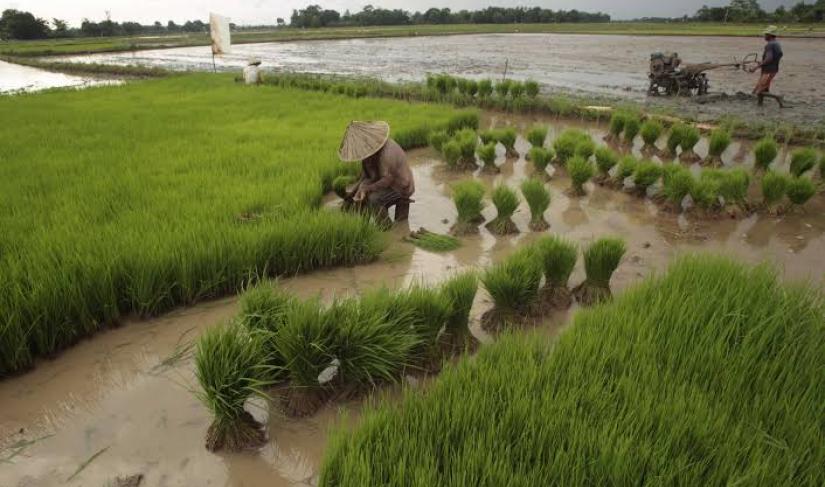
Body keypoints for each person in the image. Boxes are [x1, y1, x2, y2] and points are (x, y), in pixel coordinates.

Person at [338, 121, 415, 221]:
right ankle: (368, 223)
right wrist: (352, 194)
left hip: (401, 186)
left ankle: (385, 227)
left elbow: (387, 180)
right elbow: (366, 176)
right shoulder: (368, 152)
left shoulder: (387, 153)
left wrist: (368, 189)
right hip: (385, 180)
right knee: (364, 195)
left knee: (374, 199)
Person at [749, 26, 784, 107]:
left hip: (768, 71)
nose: (764, 36)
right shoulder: (777, 43)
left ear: (770, 35)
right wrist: (763, 62)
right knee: (763, 88)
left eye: (766, 34)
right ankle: (759, 104)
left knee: (758, 90)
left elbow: (769, 58)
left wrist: (756, 67)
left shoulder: (770, 45)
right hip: (773, 69)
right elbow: (778, 56)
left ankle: (778, 97)